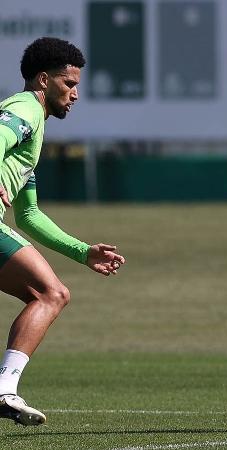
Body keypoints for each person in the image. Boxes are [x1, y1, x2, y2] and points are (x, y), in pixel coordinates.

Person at [0, 37, 125, 426]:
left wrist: (82, 252)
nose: (75, 94)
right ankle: (4, 388)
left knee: (50, 293)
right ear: (43, 80)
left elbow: (29, 214)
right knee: (50, 293)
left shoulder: (32, 131)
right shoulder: (25, 109)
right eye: (68, 84)